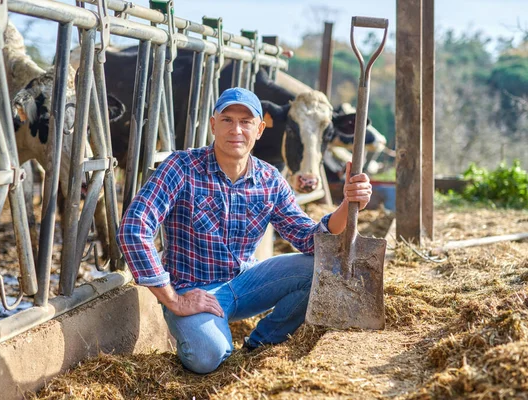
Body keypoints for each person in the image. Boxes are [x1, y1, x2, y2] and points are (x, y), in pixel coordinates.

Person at [116, 87, 373, 374]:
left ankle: (259, 345)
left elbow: (309, 240)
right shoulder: (181, 167)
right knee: (206, 356)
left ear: (260, 129)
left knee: (321, 268)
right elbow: (134, 228)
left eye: (246, 122)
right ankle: (211, 335)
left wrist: (349, 204)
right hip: (193, 290)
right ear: (213, 125)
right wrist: (173, 299)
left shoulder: (269, 179)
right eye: (227, 120)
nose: (236, 130)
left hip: (246, 284)